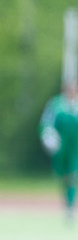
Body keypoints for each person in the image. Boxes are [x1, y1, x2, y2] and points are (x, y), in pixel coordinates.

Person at [40, 79, 78, 222]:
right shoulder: (56, 104)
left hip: (76, 148)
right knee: (63, 176)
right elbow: (46, 123)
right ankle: (67, 202)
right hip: (61, 147)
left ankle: (70, 207)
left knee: (72, 175)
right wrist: (48, 137)